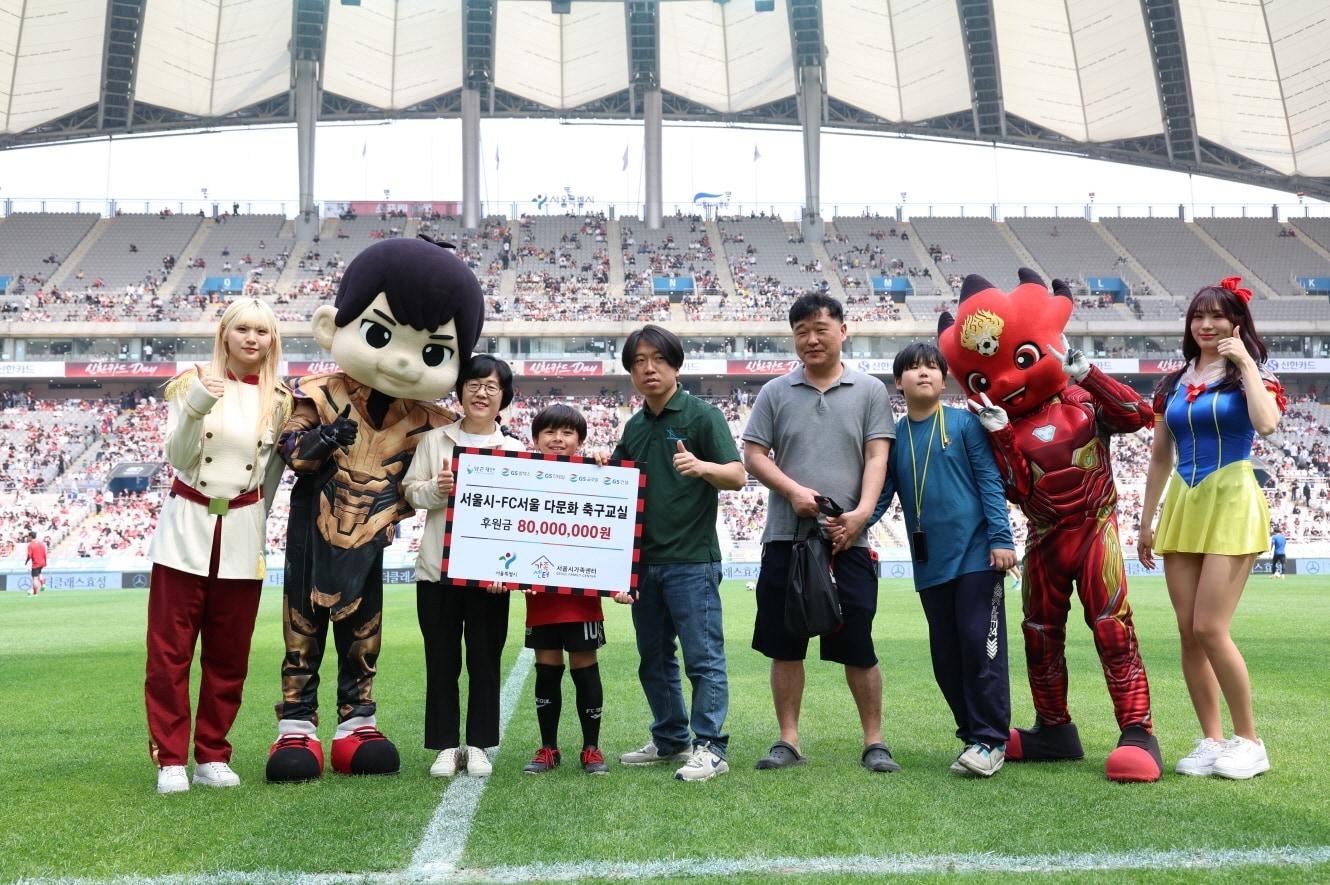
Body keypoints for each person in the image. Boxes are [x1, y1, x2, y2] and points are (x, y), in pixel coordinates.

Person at [742, 293, 895, 773]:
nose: (810, 339)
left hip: (849, 540)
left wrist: (862, 514)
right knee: (785, 643)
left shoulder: (870, 390)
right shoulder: (774, 392)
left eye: (820, 328)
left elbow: (877, 456)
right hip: (786, 539)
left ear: (843, 331)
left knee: (858, 643)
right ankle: (788, 740)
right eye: (801, 331)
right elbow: (754, 455)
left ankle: (874, 741)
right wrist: (792, 492)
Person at [144, 298, 292, 794]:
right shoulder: (190, 383)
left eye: (262, 332)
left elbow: (268, 480)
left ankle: (212, 754)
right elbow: (179, 456)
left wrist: (255, 528)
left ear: (273, 340)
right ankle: (170, 759)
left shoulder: (281, 399)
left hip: (242, 533)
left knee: (229, 656)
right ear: (224, 334)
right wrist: (196, 406)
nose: (252, 339)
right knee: (170, 654)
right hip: (186, 527)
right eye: (243, 330)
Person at [1139, 276, 1284, 781]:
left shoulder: (1251, 374)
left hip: (1231, 498)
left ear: (1238, 322)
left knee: (1209, 626)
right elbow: (1160, 457)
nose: (1206, 324)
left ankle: (1251, 740)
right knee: (1187, 632)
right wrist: (1145, 522)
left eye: (1218, 316)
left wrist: (1244, 362)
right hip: (1182, 502)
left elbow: (1266, 425)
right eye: (1199, 316)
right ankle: (1212, 739)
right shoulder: (1172, 383)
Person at [869, 343, 1016, 777]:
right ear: (899, 382)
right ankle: (971, 734)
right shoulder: (893, 437)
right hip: (929, 562)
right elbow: (881, 497)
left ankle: (991, 740)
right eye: (913, 369)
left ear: (945, 378)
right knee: (945, 656)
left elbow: (989, 480)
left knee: (980, 646)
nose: (923, 374)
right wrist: (851, 526)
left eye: (932, 367)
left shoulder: (965, 424)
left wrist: (1002, 537)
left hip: (976, 555)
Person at [612, 324, 745, 782]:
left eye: (658, 359)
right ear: (630, 371)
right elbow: (614, 494)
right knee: (654, 658)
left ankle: (710, 746)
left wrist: (701, 466)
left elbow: (737, 475)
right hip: (644, 565)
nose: (649, 368)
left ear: (675, 364)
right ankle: (670, 739)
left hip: (692, 561)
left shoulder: (703, 416)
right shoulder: (633, 427)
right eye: (639, 362)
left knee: (702, 658)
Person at [402, 355, 524, 779]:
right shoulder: (435, 441)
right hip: (438, 572)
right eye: (474, 384)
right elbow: (412, 494)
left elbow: (521, 519)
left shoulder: (515, 451)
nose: (482, 392)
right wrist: (437, 489)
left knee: (485, 660)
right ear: (461, 390)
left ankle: (478, 746)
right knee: (441, 660)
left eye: (492, 386)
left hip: (492, 578)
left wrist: (508, 572)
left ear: (504, 396)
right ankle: (444, 745)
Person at [517, 404, 631, 776]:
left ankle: (591, 749)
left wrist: (620, 582)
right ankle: (549, 748)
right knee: (546, 669)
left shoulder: (598, 475)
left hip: (581, 599)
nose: (557, 439)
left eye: (567, 433)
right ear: (535, 440)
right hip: (541, 596)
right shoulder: (522, 478)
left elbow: (617, 529)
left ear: (581, 441)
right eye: (549, 432)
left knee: (585, 666)